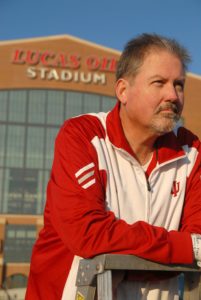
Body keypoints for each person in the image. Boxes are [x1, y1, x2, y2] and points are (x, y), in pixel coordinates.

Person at [25, 33, 201, 300]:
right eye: (159, 83)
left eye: (178, 84)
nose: (173, 95)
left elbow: (197, 246)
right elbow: (87, 234)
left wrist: (123, 256)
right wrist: (178, 249)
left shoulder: (191, 152)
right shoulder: (82, 136)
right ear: (123, 91)